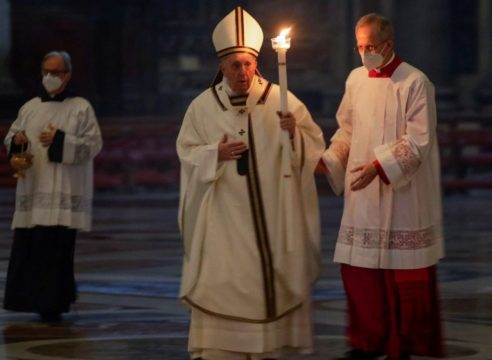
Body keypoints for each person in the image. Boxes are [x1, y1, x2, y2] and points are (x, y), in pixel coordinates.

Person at [177, 7, 325, 360]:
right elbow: (187, 151)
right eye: (234, 65)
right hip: (224, 218)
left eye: (247, 64)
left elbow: (312, 148)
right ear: (221, 67)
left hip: (273, 216)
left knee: (269, 281)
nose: (242, 72)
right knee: (222, 282)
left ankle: (269, 346)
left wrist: (294, 137)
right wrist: (216, 153)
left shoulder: (281, 101)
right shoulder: (202, 107)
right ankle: (220, 347)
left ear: (256, 63)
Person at [319, 13, 445, 360]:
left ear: (388, 44)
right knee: (360, 272)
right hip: (362, 194)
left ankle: (404, 344)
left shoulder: (415, 82)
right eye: (360, 47)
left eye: (371, 46)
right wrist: (329, 160)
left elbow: (420, 141)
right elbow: (347, 130)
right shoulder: (355, 80)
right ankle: (366, 341)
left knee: (402, 274)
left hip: (402, 194)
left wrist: (379, 166)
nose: (365, 53)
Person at [3, 51, 103, 322]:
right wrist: (18, 143)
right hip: (34, 190)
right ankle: (26, 300)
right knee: (30, 247)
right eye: (47, 71)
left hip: (63, 193)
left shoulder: (81, 107)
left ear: (68, 74)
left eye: (57, 72)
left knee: (55, 250)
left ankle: (54, 303)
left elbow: (93, 145)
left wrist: (60, 139)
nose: (51, 77)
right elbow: (12, 138)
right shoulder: (30, 107)